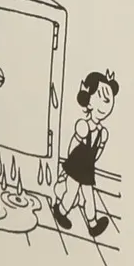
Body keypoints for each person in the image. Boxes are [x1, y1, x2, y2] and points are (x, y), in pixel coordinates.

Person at [52, 69, 118, 238]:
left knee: (89, 196)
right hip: (76, 165)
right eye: (101, 98)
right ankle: (60, 211)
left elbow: (98, 151)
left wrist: (92, 162)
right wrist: (68, 166)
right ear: (89, 102)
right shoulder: (83, 126)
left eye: (108, 100)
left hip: (88, 167)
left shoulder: (103, 132)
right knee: (72, 192)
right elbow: (73, 145)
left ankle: (92, 224)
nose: (105, 104)